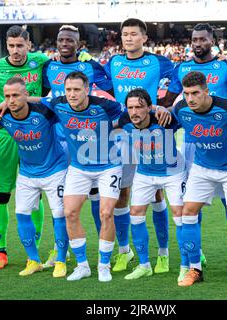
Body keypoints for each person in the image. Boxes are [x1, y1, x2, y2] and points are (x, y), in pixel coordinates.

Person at [162, 23, 227, 277]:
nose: (197, 43)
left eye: (203, 39)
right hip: (192, 141)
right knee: (192, 201)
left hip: (222, 138)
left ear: (212, 41)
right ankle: (198, 253)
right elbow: (169, 100)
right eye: (194, 39)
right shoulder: (181, 68)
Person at [103, 18, 175, 273]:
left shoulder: (158, 62)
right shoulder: (114, 62)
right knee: (122, 193)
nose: (129, 38)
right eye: (125, 35)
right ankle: (125, 251)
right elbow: (105, 88)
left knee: (157, 191)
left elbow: (176, 83)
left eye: (134, 34)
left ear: (144, 37)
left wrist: (164, 104)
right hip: (124, 131)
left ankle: (163, 254)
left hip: (153, 131)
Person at [40, 26, 114, 268]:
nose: (64, 43)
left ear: (79, 43)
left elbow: (111, 96)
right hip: (61, 142)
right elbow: (43, 102)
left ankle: (105, 249)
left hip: (89, 143)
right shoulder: (48, 67)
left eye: (69, 40)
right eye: (61, 39)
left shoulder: (91, 67)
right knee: (61, 202)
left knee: (97, 201)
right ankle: (60, 251)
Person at [0, 25, 50, 270]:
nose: (16, 51)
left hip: (35, 135)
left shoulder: (40, 62)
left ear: (29, 45)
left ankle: (35, 247)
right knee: (2, 195)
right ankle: (1, 252)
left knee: (36, 191)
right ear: (6, 46)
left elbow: (52, 92)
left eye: (20, 45)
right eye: (11, 46)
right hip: (6, 136)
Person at [172, 71, 227, 289]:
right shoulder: (181, 109)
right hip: (202, 168)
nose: (190, 99)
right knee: (188, 213)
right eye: (186, 94)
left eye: (195, 93)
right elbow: (167, 123)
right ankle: (195, 268)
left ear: (207, 91)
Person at [41, 71, 124, 282]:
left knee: (106, 213)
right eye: (68, 89)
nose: (72, 94)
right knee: (69, 213)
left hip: (108, 166)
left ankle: (104, 265)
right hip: (78, 167)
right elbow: (36, 101)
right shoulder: (58, 104)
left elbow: (131, 112)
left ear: (87, 90)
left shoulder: (105, 105)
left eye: (77, 89)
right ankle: (82, 265)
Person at [0, 77, 70, 277]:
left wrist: (37, 99)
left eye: (16, 95)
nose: (11, 100)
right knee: (21, 213)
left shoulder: (45, 111)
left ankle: (61, 260)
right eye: (8, 96)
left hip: (55, 169)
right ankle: (33, 260)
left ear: (26, 95)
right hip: (27, 173)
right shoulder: (2, 116)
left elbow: (62, 100)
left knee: (60, 214)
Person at [116, 88, 186, 280]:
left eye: (139, 107)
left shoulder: (164, 119)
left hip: (172, 173)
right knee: (136, 215)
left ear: (149, 108)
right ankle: (144, 264)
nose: (134, 112)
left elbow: (186, 112)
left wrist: (164, 109)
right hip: (144, 173)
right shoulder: (125, 121)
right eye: (130, 107)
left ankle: (182, 264)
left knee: (180, 217)